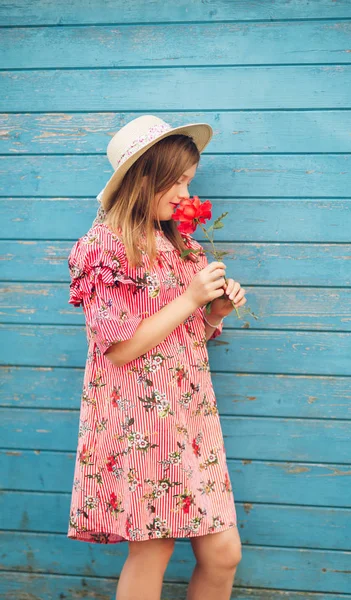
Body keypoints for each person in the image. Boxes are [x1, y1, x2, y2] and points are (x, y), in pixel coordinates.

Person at [66, 115, 247, 600]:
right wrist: (189, 299)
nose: (187, 191)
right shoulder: (104, 248)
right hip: (139, 423)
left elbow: (182, 339)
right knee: (154, 547)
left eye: (191, 179)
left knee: (223, 553)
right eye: (180, 179)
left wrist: (213, 312)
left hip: (190, 416)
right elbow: (121, 348)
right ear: (144, 176)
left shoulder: (178, 244)